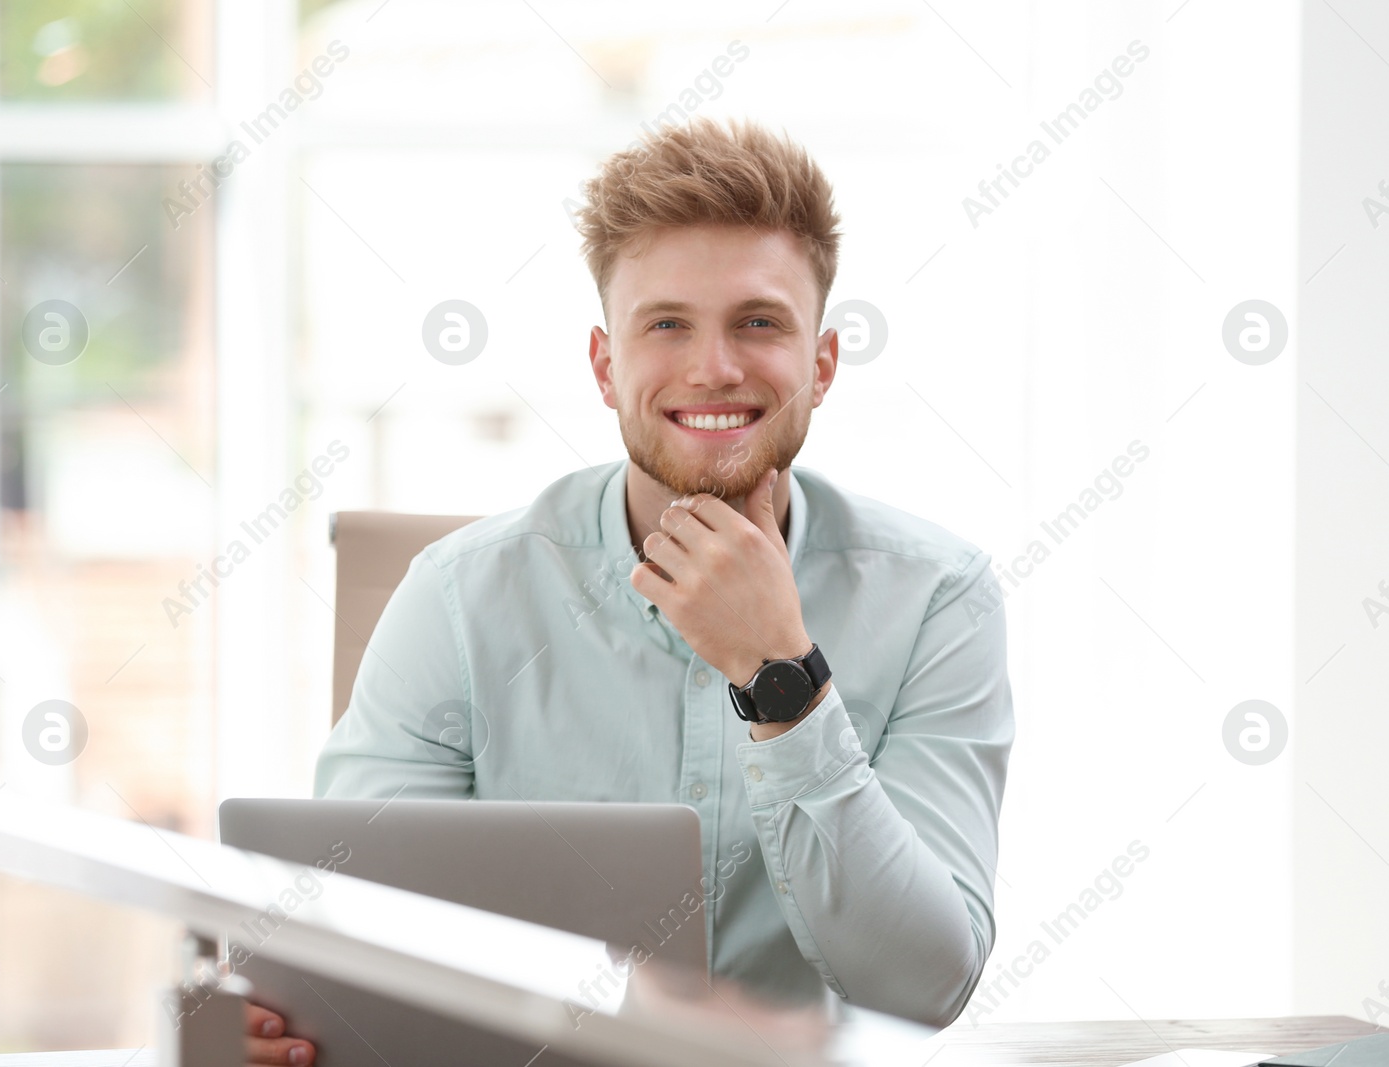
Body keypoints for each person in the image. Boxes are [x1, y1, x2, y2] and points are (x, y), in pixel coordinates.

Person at [244, 116, 1015, 1066]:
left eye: (759, 322)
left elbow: (926, 987)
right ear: (607, 367)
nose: (715, 367)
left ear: (821, 365)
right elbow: (346, 941)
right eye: (668, 325)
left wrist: (782, 676)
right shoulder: (457, 597)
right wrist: (270, 1016)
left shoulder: (940, 599)